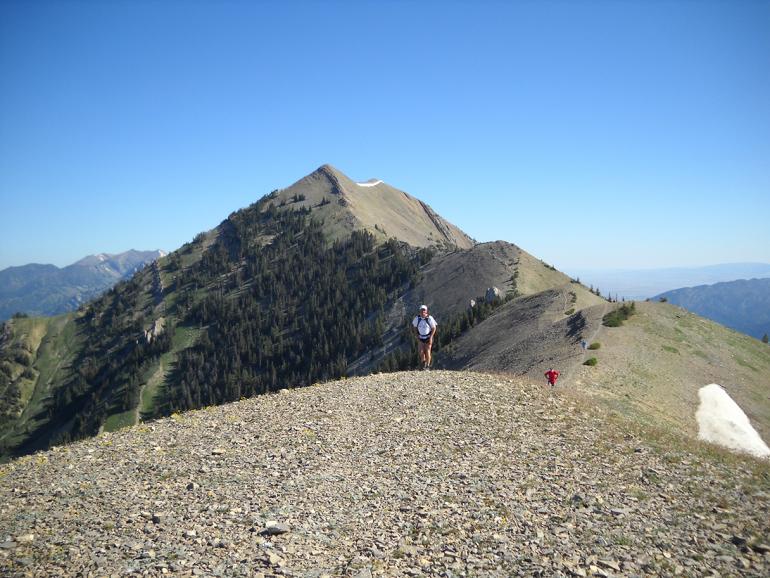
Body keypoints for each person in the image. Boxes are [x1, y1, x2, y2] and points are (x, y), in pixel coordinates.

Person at [412, 304, 438, 370]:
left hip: (428, 337)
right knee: (421, 351)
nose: (423, 311)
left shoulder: (429, 318)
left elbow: (434, 328)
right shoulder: (417, 318)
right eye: (421, 310)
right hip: (420, 337)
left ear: (426, 311)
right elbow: (414, 327)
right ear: (419, 311)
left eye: (424, 310)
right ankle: (423, 364)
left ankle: (427, 365)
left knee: (428, 351)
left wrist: (431, 337)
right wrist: (417, 336)